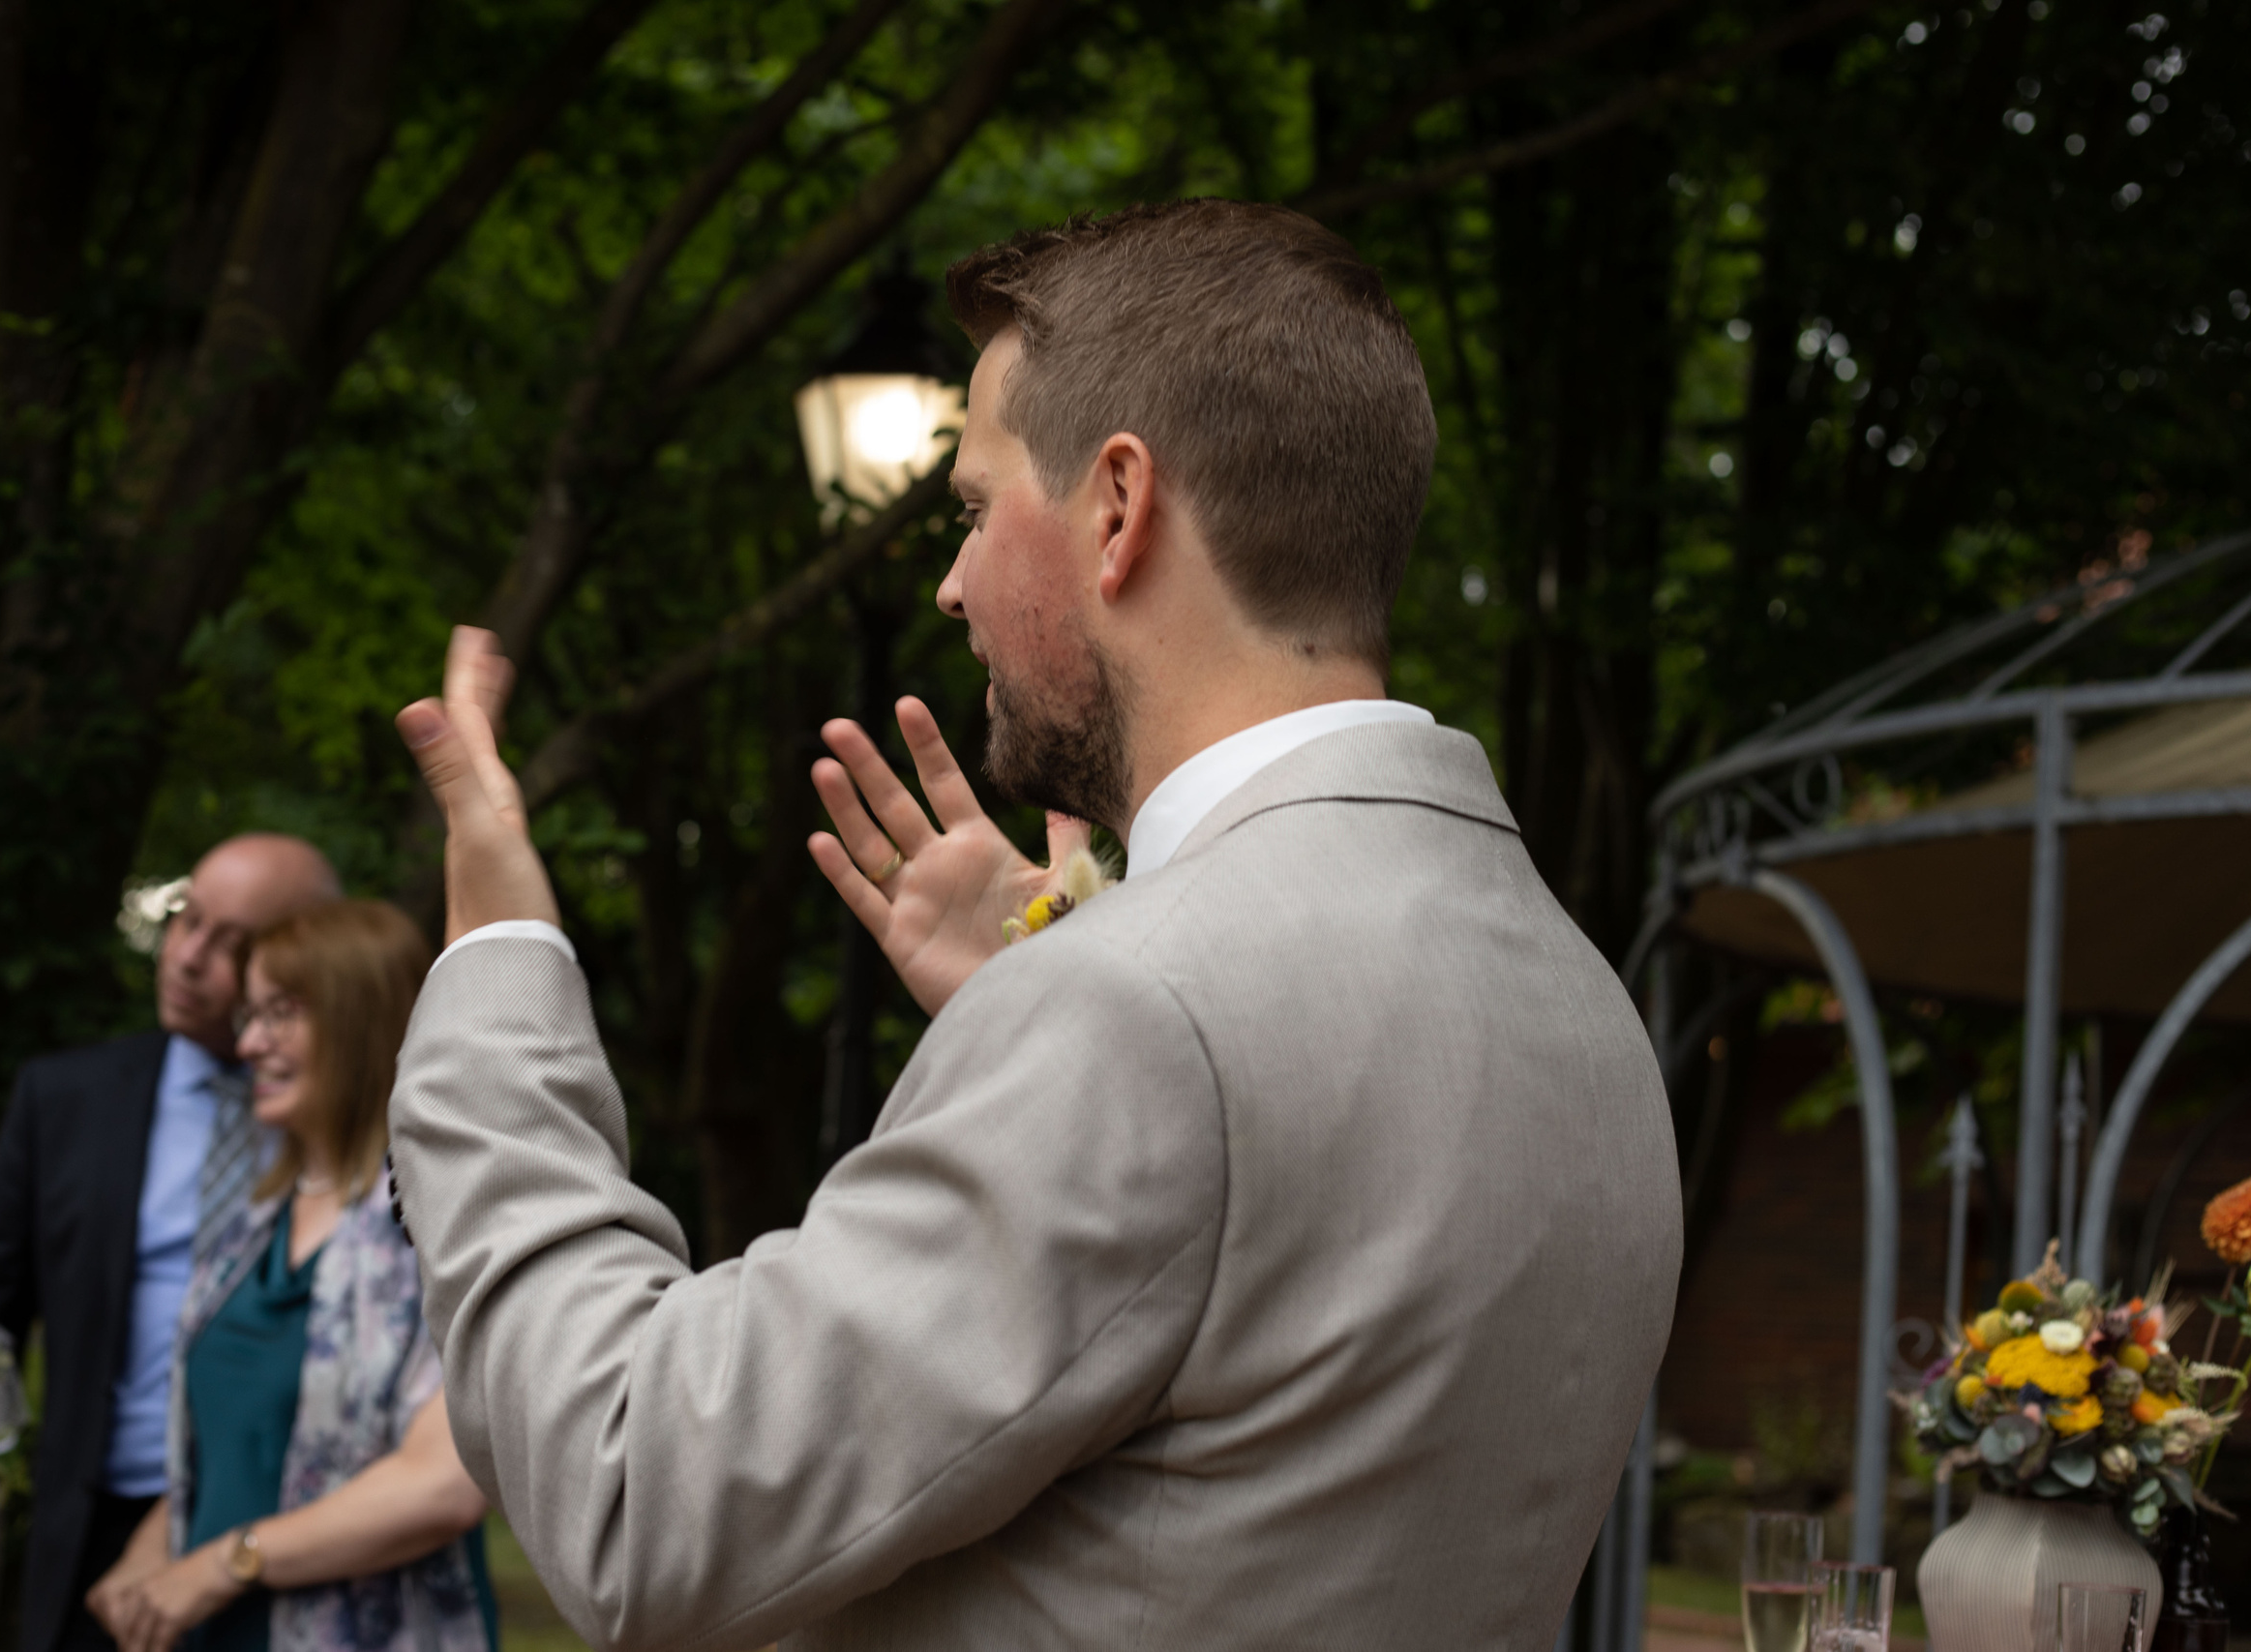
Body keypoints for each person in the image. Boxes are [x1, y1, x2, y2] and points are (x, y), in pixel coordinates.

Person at [389, 200, 1684, 1650]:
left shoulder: (1138, 1012)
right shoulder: (1589, 1008)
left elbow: (637, 1492)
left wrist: (495, 977)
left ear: (1119, 507)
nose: (948, 583)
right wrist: (1061, 984)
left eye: (972, 504)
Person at [0, 834, 341, 1652]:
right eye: (185, 919)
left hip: (295, 1517)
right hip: (102, 1527)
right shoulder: (63, 1100)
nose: (189, 956)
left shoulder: (351, 1118)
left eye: (231, 941)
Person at [81, 900, 493, 1652]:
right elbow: (230, 1445)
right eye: (249, 1015)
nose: (248, 1043)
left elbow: (443, 1484)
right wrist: (150, 1556)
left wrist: (227, 1561)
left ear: (359, 1022)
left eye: (281, 1013)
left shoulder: (438, 1228)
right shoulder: (244, 1226)